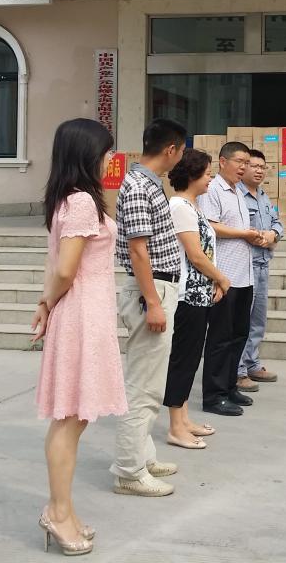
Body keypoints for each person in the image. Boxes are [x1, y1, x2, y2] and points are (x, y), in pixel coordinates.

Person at [32, 118, 127, 555]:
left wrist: (44, 302)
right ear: (88, 154)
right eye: (105, 152)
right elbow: (66, 269)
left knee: (74, 417)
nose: (110, 159)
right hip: (82, 315)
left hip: (83, 312)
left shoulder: (68, 199)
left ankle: (63, 510)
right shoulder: (82, 202)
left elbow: (56, 264)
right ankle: (57, 512)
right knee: (70, 418)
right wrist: (49, 302)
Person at [110, 118, 186, 498]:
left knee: (150, 383)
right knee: (143, 387)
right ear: (171, 149)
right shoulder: (140, 186)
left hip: (156, 288)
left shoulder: (147, 183)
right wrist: (153, 303)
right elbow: (139, 250)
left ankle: (143, 456)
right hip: (150, 291)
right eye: (181, 151)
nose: (180, 158)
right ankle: (129, 470)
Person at [164, 149, 230, 450]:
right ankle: (176, 427)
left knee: (190, 359)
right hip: (186, 296)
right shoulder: (179, 207)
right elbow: (195, 255)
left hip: (199, 294)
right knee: (183, 360)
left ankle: (184, 419)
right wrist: (221, 278)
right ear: (191, 175)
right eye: (206, 174)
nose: (210, 179)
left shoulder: (192, 207)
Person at [199, 141, 265, 416]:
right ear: (223, 162)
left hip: (244, 275)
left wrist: (253, 235)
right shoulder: (212, 190)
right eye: (239, 161)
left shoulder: (238, 191)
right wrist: (244, 234)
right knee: (220, 338)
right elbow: (210, 227)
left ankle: (229, 387)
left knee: (239, 334)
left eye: (246, 163)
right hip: (224, 276)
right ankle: (214, 395)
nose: (244, 167)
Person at [237, 149, 283, 393]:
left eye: (262, 167)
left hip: (264, 265)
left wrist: (273, 234)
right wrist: (258, 236)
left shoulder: (264, 197)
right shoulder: (237, 196)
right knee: (241, 320)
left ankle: (252, 363)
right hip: (245, 265)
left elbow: (277, 223)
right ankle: (238, 371)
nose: (259, 170)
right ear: (243, 167)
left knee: (258, 320)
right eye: (254, 166)